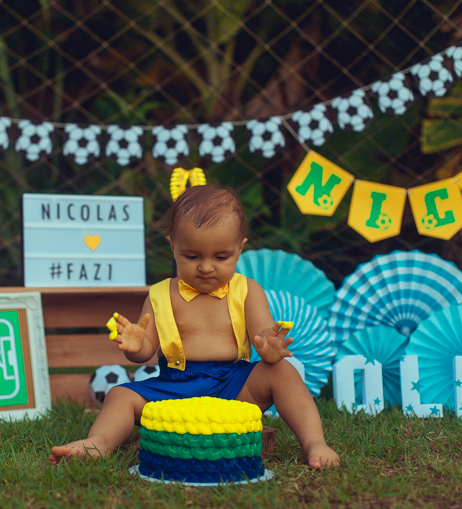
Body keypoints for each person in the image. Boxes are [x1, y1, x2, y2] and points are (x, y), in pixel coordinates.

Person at [49, 185, 340, 469]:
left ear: (240, 249)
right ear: (173, 246)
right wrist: (137, 347)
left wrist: (269, 345)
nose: (206, 267)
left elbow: (263, 332)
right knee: (120, 395)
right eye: (192, 256)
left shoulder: (247, 290)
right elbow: (147, 349)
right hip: (174, 387)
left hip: (233, 385)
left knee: (284, 373)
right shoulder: (161, 294)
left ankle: (314, 442)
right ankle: (99, 442)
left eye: (221, 257)